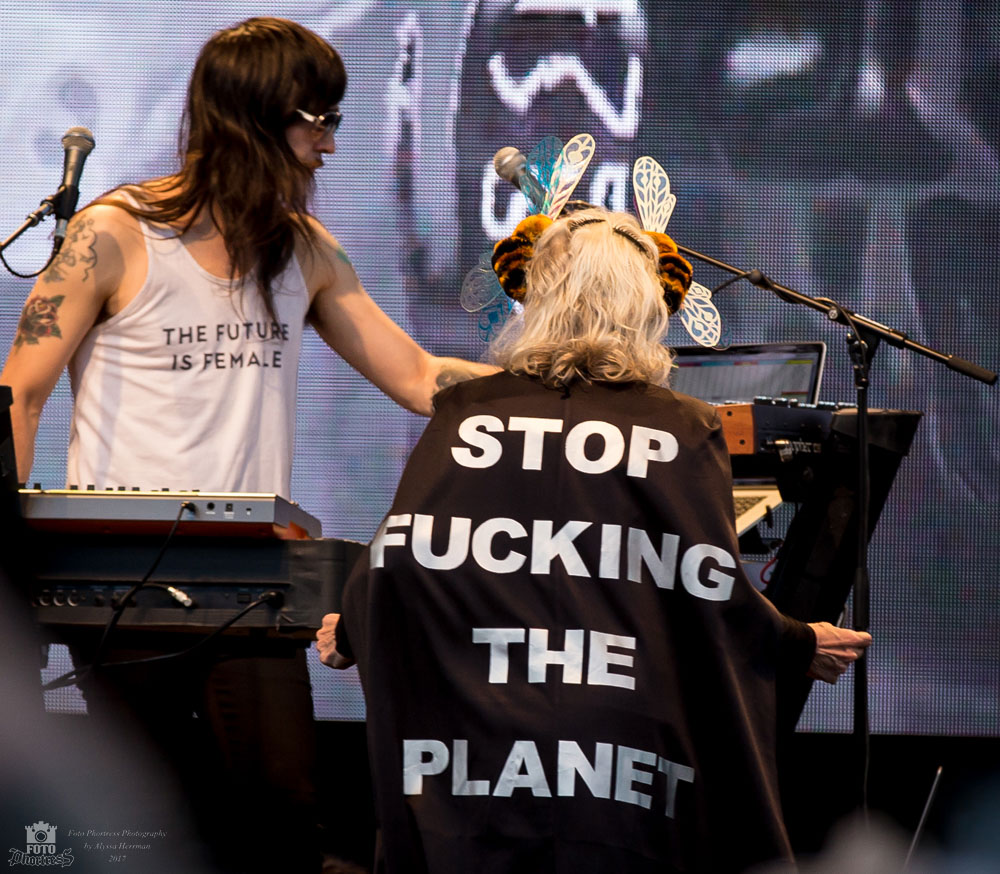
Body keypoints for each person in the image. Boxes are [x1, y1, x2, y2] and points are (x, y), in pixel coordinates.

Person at [0, 17, 494, 874]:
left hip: (252, 581)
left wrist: (559, 378)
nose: (329, 144)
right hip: (117, 578)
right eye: (317, 120)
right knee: (147, 824)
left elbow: (419, 378)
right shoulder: (112, 233)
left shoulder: (304, 250)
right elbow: (20, 394)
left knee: (283, 810)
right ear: (254, 117)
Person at [316, 207, 872, 873]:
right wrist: (798, 642)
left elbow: (403, 562)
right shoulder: (682, 425)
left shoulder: (468, 412)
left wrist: (354, 629)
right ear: (645, 306)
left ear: (538, 299)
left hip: (477, 747)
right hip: (622, 751)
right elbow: (709, 588)